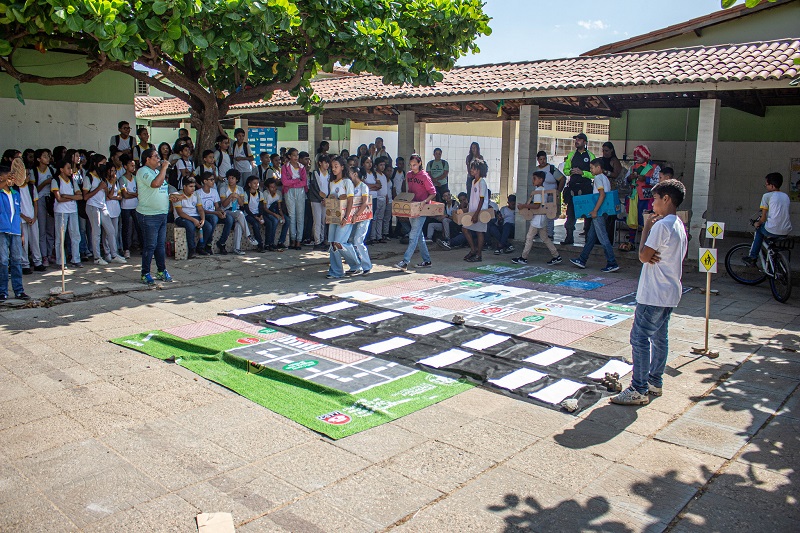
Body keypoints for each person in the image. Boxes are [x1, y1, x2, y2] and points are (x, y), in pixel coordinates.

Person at [611, 179, 687, 406]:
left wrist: (646, 229)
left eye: (655, 199)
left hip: (654, 292)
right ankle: (655, 381)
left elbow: (643, 256)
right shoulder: (678, 224)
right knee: (659, 337)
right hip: (669, 291)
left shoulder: (661, 226)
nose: (652, 204)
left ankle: (639, 388)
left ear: (666, 199)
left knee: (639, 338)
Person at [570, 158, 619, 273]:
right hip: (603, 211)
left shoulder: (598, 178)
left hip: (598, 212)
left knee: (603, 237)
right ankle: (582, 259)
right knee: (591, 237)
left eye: (592, 168)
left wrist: (595, 211)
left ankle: (612, 262)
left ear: (598, 168)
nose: (590, 170)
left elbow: (602, 195)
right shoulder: (605, 178)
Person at [136, 148, 172, 284]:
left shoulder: (157, 172)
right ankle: (145, 273)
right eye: (156, 156)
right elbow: (155, 184)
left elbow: (161, 189)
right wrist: (164, 168)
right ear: (147, 159)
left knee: (160, 245)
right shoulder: (143, 171)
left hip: (161, 214)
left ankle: (161, 270)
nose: (159, 159)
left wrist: (171, 197)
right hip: (149, 215)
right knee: (150, 245)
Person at [395, 154, 436, 271]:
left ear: (419, 164)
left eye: (414, 165)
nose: (412, 167)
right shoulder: (408, 175)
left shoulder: (424, 176)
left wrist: (424, 201)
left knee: (413, 235)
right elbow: (409, 191)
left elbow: (433, 192)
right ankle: (427, 260)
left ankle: (405, 261)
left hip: (422, 209)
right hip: (412, 207)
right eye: (411, 165)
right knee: (418, 236)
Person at [512, 171, 562, 265]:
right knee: (545, 238)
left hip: (537, 219)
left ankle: (523, 257)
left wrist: (524, 206)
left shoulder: (538, 191)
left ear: (540, 180)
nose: (533, 181)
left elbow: (537, 206)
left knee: (529, 237)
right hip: (542, 218)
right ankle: (556, 255)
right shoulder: (543, 190)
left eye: (534, 179)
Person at [744, 172, 792, 266]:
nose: (766, 186)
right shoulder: (786, 196)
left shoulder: (766, 196)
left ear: (772, 186)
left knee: (759, 231)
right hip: (786, 229)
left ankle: (753, 257)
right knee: (769, 234)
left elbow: (763, 218)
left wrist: (757, 223)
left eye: (766, 184)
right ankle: (772, 255)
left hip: (773, 229)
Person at [621, 145, 661, 251]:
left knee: (646, 221)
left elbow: (659, 182)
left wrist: (646, 180)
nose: (636, 158)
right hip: (634, 197)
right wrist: (629, 178)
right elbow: (624, 181)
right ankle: (631, 242)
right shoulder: (632, 167)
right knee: (632, 220)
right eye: (635, 155)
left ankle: (646, 245)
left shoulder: (654, 167)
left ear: (645, 155)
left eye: (639, 155)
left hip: (647, 199)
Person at [0, 165, 30, 300]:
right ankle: (2, 291)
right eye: (9, 176)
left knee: (17, 260)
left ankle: (19, 290)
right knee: (3, 261)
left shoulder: (15, 194)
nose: (12, 179)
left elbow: (17, 213)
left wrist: (21, 232)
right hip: (2, 230)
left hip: (16, 231)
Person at [326, 156, 359, 279]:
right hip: (334, 218)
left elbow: (350, 200)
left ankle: (356, 264)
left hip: (345, 217)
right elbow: (332, 199)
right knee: (332, 244)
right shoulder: (331, 183)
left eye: (336, 166)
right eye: (332, 167)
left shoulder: (347, 182)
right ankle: (336, 271)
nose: (334, 169)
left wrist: (347, 217)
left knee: (340, 243)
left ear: (342, 167)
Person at [562, 133, 596, 245]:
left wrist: (583, 173)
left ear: (585, 142)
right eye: (576, 139)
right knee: (570, 213)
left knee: (587, 214)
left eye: (579, 139)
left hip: (585, 187)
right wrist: (571, 171)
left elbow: (594, 174)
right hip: (573, 187)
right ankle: (569, 237)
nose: (577, 141)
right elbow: (565, 170)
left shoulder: (590, 156)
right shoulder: (571, 155)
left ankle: (588, 238)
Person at [51, 159, 83, 269]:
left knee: (75, 235)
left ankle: (76, 259)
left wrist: (67, 196)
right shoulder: (56, 180)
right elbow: (59, 198)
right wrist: (73, 197)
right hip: (61, 211)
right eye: (68, 168)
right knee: (60, 237)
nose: (70, 170)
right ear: (61, 169)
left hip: (73, 210)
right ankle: (61, 261)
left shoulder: (72, 181)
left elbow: (80, 196)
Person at [15, 160, 44, 274]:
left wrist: (35, 216)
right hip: (21, 219)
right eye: (25, 174)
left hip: (32, 218)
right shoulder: (15, 189)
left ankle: (38, 262)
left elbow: (35, 204)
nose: (28, 177)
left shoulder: (32, 187)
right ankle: (25, 264)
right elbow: (16, 207)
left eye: (28, 174)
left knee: (35, 241)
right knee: (24, 243)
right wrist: (24, 217)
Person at [218, 168, 256, 255]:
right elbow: (223, 205)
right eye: (229, 178)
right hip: (227, 211)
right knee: (240, 214)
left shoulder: (240, 189)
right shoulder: (223, 188)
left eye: (232, 178)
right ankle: (248, 235)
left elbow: (242, 204)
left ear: (237, 179)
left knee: (238, 224)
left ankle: (237, 248)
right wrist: (230, 197)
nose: (230, 180)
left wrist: (238, 197)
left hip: (236, 210)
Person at [196, 171, 233, 255]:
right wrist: (216, 213)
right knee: (214, 218)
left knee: (229, 218)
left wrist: (221, 211)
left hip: (214, 213)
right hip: (204, 215)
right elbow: (201, 209)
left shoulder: (214, 191)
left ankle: (222, 242)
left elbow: (217, 207)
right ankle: (208, 244)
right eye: (211, 180)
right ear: (205, 181)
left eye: (213, 179)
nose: (213, 181)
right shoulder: (198, 193)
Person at [173, 177, 211, 258]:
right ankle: (192, 250)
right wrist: (193, 220)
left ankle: (200, 247)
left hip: (195, 216)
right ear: (184, 186)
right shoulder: (177, 195)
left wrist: (203, 219)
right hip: (181, 217)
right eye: (190, 186)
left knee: (208, 226)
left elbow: (200, 209)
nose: (193, 188)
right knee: (190, 226)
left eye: (194, 186)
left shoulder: (196, 194)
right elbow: (180, 213)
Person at [534, 151, 566, 240]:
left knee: (550, 215)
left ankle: (549, 233)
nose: (543, 161)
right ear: (538, 160)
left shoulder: (551, 169)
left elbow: (562, 179)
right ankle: (538, 232)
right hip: (539, 196)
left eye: (544, 159)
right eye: (541, 159)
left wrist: (558, 192)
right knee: (538, 214)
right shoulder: (535, 170)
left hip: (551, 195)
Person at [462, 158, 489, 262]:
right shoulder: (473, 181)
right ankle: (473, 250)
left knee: (479, 232)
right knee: (465, 229)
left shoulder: (482, 182)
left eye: (473, 168)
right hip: (472, 211)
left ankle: (479, 255)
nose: (471, 170)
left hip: (480, 212)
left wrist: (476, 214)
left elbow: (481, 199)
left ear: (479, 170)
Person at [347, 165, 372, 276]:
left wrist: (356, 215)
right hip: (354, 217)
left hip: (362, 217)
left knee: (358, 241)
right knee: (350, 240)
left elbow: (365, 202)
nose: (348, 175)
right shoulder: (351, 186)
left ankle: (366, 265)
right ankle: (356, 265)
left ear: (355, 174)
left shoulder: (363, 186)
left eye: (350, 173)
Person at [281, 148, 307, 250]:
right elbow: (284, 182)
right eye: (294, 155)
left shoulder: (302, 167)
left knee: (300, 216)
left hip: (300, 191)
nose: (296, 157)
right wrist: (296, 181)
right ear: (289, 156)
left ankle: (298, 240)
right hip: (289, 192)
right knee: (292, 215)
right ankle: (292, 239)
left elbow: (304, 182)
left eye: (297, 155)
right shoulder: (285, 167)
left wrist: (292, 182)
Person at [32, 148, 55, 266]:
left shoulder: (52, 170)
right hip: (40, 199)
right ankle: (43, 255)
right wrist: (45, 183)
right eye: (45, 156)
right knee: (42, 228)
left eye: (48, 156)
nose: (48, 158)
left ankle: (50, 253)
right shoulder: (34, 172)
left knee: (50, 229)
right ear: (38, 159)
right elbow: (34, 190)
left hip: (50, 200)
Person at [601, 142, 625, 244]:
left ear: (611, 150)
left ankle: (609, 238)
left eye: (606, 151)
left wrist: (606, 172)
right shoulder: (601, 160)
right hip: (601, 188)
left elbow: (616, 174)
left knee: (610, 215)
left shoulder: (614, 161)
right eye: (603, 150)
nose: (604, 153)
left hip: (611, 189)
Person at [119, 154, 141, 258]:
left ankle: (142, 246)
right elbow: (125, 195)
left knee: (139, 227)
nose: (133, 167)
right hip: (126, 207)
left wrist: (131, 194)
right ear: (125, 166)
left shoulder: (135, 178)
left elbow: (137, 192)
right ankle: (126, 249)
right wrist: (135, 194)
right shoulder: (122, 179)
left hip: (135, 206)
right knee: (126, 228)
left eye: (134, 165)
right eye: (131, 165)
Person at [308, 154, 330, 250]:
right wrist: (321, 199)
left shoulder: (329, 174)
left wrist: (327, 199)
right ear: (320, 163)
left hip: (326, 200)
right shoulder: (315, 173)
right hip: (316, 200)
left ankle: (322, 239)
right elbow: (314, 188)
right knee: (317, 221)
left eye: (328, 162)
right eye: (325, 162)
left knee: (323, 221)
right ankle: (317, 242)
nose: (327, 165)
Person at [242, 175, 268, 253]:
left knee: (269, 222)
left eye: (257, 183)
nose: (256, 185)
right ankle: (260, 245)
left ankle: (269, 243)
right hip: (248, 215)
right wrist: (255, 217)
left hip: (258, 214)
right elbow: (246, 208)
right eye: (254, 183)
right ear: (249, 184)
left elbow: (261, 206)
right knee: (255, 224)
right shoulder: (246, 194)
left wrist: (261, 215)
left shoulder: (260, 194)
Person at [104, 164, 124, 261]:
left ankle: (114, 252)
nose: (113, 173)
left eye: (114, 171)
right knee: (107, 232)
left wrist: (113, 197)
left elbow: (120, 196)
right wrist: (112, 184)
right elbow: (109, 195)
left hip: (115, 209)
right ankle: (107, 252)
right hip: (107, 209)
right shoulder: (105, 182)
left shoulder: (116, 182)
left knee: (115, 232)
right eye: (111, 171)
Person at [263, 177, 289, 251]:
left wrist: (282, 216)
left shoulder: (278, 193)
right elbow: (265, 208)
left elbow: (279, 207)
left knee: (287, 220)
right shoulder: (265, 193)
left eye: (275, 186)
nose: (274, 189)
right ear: (267, 188)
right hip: (267, 212)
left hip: (276, 211)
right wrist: (275, 215)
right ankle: (270, 243)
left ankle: (281, 241)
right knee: (274, 221)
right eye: (271, 187)